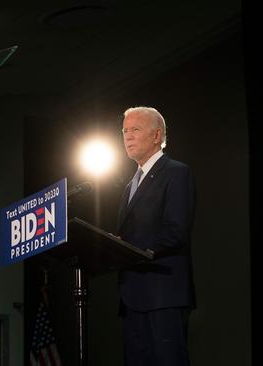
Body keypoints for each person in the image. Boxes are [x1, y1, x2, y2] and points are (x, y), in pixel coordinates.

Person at [117, 106, 196, 366]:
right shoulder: (130, 184)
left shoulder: (175, 172)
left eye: (135, 130)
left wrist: (130, 250)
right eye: (125, 131)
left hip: (163, 295)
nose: (127, 136)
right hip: (133, 298)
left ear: (156, 135)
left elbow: (176, 230)